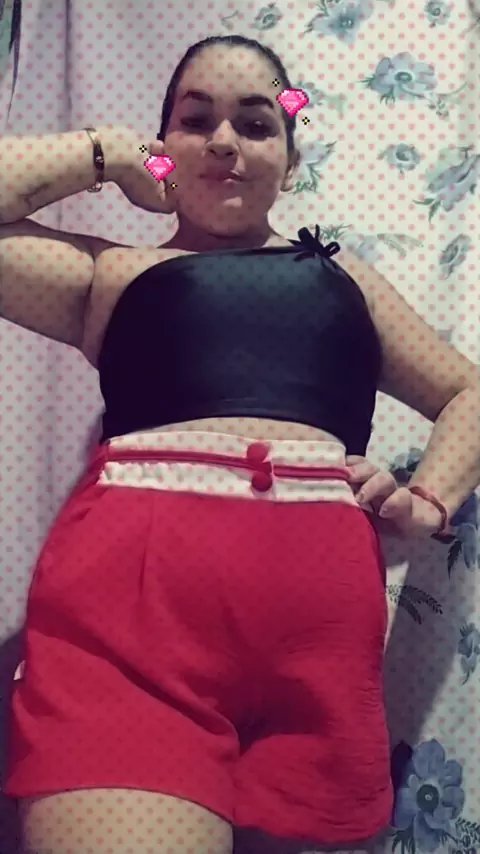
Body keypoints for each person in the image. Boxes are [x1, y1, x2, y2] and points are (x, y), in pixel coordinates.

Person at [0, 33, 479, 854]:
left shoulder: (344, 281)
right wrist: (108, 153)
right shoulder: (110, 276)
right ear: (164, 147)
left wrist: (428, 500)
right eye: (196, 121)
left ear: (291, 162)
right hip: (128, 645)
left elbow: (468, 392)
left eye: (256, 125)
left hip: (321, 672)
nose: (224, 142)